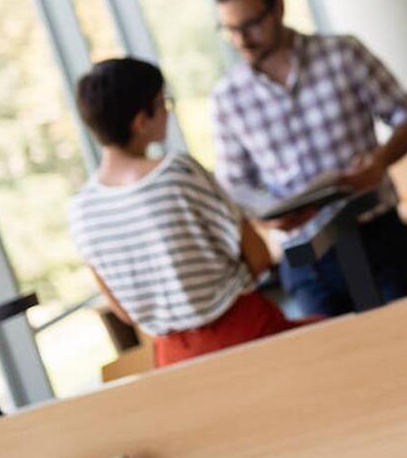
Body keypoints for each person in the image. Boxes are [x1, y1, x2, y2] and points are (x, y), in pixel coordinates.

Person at [210, 0, 407, 317]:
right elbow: (234, 183)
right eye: (229, 29)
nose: (241, 40)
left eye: (250, 25)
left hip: (377, 236)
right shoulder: (226, 97)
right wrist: (265, 216)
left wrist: (380, 161)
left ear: (278, 7)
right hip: (305, 259)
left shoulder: (343, 54)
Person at [69, 58, 309, 368]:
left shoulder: (80, 211)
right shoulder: (177, 172)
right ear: (141, 121)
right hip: (246, 333)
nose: (168, 111)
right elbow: (259, 257)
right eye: (163, 103)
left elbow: (125, 312)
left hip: (175, 360)